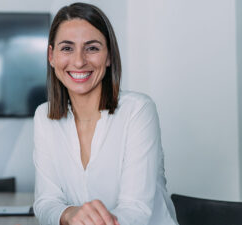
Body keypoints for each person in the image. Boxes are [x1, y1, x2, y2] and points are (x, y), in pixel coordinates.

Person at [33, 2, 178, 225]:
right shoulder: (44, 117)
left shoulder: (138, 110)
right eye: (67, 48)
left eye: (92, 48)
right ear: (51, 56)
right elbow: (45, 202)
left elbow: (136, 210)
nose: (79, 61)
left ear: (109, 56)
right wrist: (69, 214)